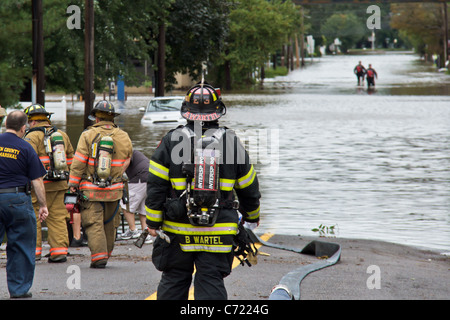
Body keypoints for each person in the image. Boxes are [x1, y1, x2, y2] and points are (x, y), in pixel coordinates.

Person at [146, 81, 261, 300]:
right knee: (210, 281)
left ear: (185, 112)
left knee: (175, 280)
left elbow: (155, 185)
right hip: (218, 230)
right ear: (218, 112)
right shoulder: (231, 142)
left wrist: (152, 222)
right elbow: (249, 187)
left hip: (177, 231)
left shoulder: (171, 141)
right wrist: (251, 218)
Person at [68, 100, 132, 268]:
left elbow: (79, 162)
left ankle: (99, 257)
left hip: (91, 190)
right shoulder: (123, 135)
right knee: (110, 223)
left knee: (93, 222)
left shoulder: (87, 135)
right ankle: (106, 253)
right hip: (115, 190)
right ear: (112, 118)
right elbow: (128, 160)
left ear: (96, 118)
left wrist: (73, 184)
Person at [0, 110, 49, 298]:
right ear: (23, 128)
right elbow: (37, 180)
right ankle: (18, 290)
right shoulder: (26, 147)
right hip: (17, 200)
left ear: (5, 125)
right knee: (20, 246)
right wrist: (43, 205)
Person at [23, 104, 75, 262]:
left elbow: (26, 161)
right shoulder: (62, 135)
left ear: (31, 122)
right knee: (58, 217)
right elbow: (72, 160)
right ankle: (59, 252)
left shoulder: (31, 137)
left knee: (34, 217)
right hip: (59, 184)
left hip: (38, 186)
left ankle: (34, 253)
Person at [119, 149, 152, 243]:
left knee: (125, 204)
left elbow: (126, 161)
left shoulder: (125, 152)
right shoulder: (134, 151)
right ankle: (146, 235)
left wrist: (117, 175)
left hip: (140, 178)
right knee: (143, 209)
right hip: (150, 178)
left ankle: (133, 231)